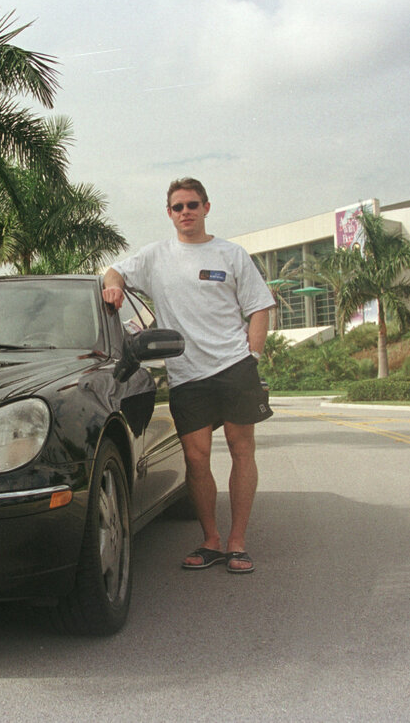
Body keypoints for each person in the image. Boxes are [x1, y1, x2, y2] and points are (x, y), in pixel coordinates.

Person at [102, 177, 274, 574]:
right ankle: (211, 540)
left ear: (206, 208)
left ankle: (238, 542)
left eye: (192, 205)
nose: (186, 212)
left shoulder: (231, 254)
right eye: (178, 207)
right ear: (169, 213)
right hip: (186, 374)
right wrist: (113, 288)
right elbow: (113, 272)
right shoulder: (154, 256)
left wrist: (254, 355)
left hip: (234, 366)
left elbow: (260, 306)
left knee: (241, 450)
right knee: (196, 461)